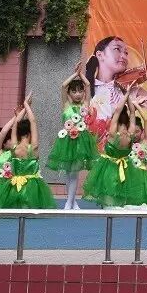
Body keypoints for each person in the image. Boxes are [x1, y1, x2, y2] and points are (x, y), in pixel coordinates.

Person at [84, 89, 147, 209]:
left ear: (115, 120)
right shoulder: (130, 134)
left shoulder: (112, 134)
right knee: (121, 201)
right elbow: (133, 113)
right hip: (126, 171)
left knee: (109, 200)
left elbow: (118, 110)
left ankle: (109, 213)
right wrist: (132, 101)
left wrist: (126, 94)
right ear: (128, 123)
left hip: (109, 170)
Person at [47, 74, 100, 210]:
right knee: (68, 172)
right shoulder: (66, 105)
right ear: (69, 93)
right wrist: (75, 74)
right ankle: (71, 201)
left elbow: (88, 85)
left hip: (81, 143)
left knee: (74, 172)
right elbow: (63, 85)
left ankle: (70, 202)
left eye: (80, 91)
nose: (78, 94)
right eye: (74, 91)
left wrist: (81, 74)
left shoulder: (85, 105)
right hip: (67, 143)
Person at [6, 95, 56, 209]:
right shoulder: (33, 148)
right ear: (30, 133)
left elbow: (15, 124)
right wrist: (27, 105)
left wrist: (22, 110)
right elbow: (33, 121)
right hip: (32, 187)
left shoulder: (14, 147)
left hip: (15, 186)